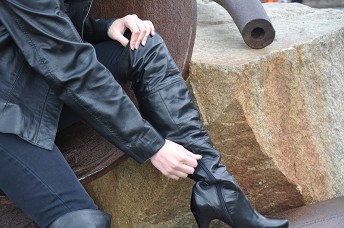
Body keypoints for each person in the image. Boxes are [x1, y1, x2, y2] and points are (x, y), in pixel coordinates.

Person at [0, 0, 289, 227]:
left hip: (34, 85)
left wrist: (106, 27)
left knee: (143, 47)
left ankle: (218, 188)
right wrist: (153, 146)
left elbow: (37, 26)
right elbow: (71, 68)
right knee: (80, 220)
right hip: (7, 114)